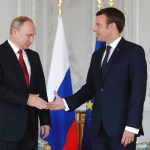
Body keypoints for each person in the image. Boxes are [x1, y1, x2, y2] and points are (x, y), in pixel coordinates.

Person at [47, 7, 147, 150]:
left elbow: (138, 92)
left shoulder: (134, 51)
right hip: (97, 129)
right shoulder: (97, 55)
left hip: (122, 129)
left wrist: (131, 127)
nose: (94, 29)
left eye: (98, 25)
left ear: (112, 26)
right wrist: (65, 103)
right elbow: (90, 88)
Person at [0, 16, 51, 150]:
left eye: (34, 36)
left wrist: (45, 120)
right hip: (6, 131)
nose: (32, 40)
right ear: (15, 32)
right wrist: (26, 99)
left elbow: (41, 89)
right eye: (29, 36)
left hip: (31, 130)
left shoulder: (34, 56)